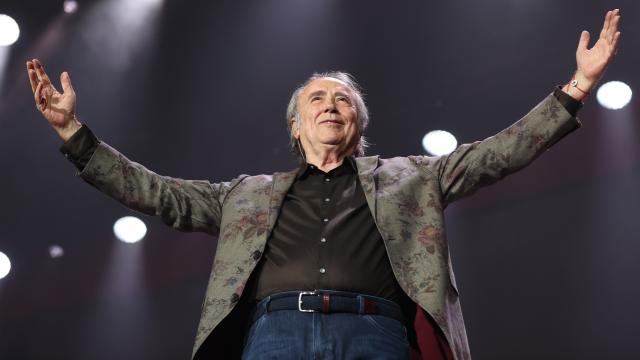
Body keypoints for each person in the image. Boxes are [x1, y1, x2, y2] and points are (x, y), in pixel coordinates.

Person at [26, 9, 621, 360]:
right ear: (297, 122)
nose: (331, 105)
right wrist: (75, 132)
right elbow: (156, 193)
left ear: (357, 122)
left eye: (343, 99)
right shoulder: (247, 194)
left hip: (374, 332)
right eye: (318, 98)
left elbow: (499, 154)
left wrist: (575, 86)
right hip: (273, 334)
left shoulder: (411, 177)